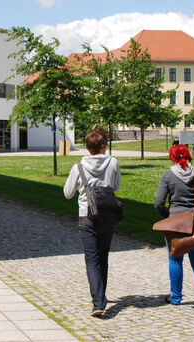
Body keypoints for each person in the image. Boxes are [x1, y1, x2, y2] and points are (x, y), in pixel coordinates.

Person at [154, 144, 194, 318]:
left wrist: (167, 216)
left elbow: (158, 202)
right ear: (189, 155)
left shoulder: (168, 176)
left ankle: (176, 297)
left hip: (175, 226)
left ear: (172, 158)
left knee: (175, 259)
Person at [63, 129, 121, 318]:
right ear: (103, 145)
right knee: (103, 256)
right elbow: (117, 186)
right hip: (107, 215)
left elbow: (68, 193)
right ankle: (101, 296)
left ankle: (98, 301)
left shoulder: (78, 167)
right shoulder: (113, 162)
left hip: (86, 217)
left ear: (87, 147)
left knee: (91, 258)